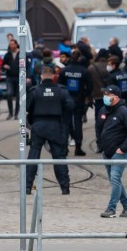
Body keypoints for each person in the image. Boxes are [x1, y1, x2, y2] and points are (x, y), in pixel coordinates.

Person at [25, 65, 73, 195]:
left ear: (41, 76)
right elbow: (70, 106)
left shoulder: (34, 90)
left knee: (33, 156)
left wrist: (31, 122)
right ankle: (65, 187)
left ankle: (27, 187)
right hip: (55, 126)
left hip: (38, 125)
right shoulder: (61, 90)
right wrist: (64, 123)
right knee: (59, 157)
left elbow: (27, 108)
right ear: (53, 76)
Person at [96, 85, 127, 218]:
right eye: (105, 94)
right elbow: (99, 127)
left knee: (115, 178)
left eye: (108, 95)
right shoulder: (103, 109)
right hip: (107, 151)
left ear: (116, 97)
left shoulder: (124, 112)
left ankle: (111, 208)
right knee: (114, 180)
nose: (105, 97)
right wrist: (100, 143)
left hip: (120, 152)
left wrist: (123, 148)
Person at [59, 50, 90, 156]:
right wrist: (83, 94)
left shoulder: (64, 70)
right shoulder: (84, 71)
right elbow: (90, 87)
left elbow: (59, 85)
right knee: (77, 123)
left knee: (65, 123)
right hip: (78, 100)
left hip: (66, 100)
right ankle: (78, 147)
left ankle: (64, 147)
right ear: (80, 58)